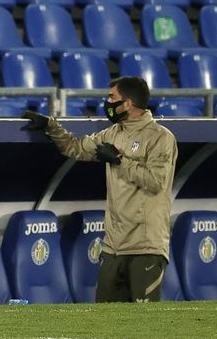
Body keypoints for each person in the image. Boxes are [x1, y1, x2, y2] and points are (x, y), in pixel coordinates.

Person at [22, 76, 178, 303]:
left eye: (112, 97)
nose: (107, 102)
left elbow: (155, 181)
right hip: (113, 246)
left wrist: (119, 160)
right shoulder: (112, 133)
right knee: (105, 320)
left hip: (147, 246)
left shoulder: (161, 138)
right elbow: (75, 148)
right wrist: (50, 125)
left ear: (128, 103)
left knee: (145, 323)